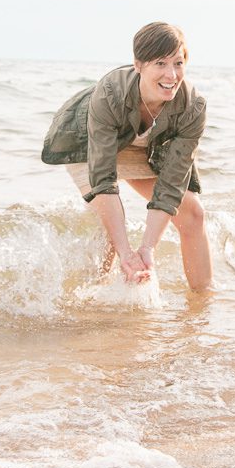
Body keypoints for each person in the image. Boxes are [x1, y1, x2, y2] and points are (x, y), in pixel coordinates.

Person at [41, 21, 212, 291]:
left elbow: (172, 183)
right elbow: (104, 179)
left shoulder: (192, 106)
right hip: (85, 139)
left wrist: (147, 248)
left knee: (192, 213)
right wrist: (126, 252)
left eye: (178, 63)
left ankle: (203, 304)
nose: (171, 75)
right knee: (111, 233)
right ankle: (88, 304)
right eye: (160, 63)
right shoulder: (110, 93)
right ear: (138, 64)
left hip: (141, 145)